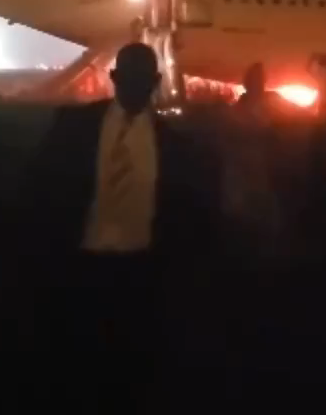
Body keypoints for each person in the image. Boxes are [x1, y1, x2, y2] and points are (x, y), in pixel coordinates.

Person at [22, 42, 219, 411]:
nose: (135, 85)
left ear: (156, 81)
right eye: (129, 77)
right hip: (78, 267)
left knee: (131, 370)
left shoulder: (176, 146)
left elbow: (188, 212)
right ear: (114, 78)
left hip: (141, 273)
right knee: (70, 366)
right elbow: (40, 189)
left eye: (143, 78)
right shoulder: (73, 127)